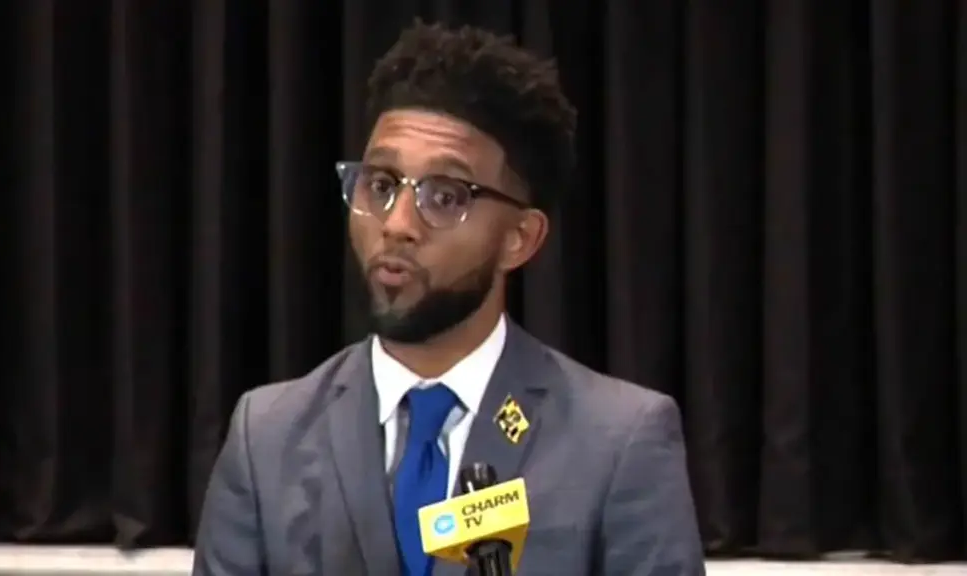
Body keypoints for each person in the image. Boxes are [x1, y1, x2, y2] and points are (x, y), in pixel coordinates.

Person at [192, 19, 705, 576]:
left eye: (444, 197)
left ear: (519, 239)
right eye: (381, 185)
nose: (397, 225)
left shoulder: (619, 441)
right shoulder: (266, 436)